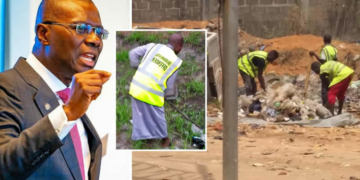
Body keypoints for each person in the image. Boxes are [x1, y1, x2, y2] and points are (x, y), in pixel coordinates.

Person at [0, 0, 111, 179]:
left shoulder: (67, 97)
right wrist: (67, 114)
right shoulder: (6, 86)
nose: (95, 40)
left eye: (99, 32)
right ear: (44, 34)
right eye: (81, 28)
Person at [128, 34, 184, 148]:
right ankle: (165, 139)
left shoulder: (153, 46)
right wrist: (165, 94)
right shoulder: (175, 62)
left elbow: (132, 53)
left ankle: (145, 137)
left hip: (137, 86)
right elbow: (169, 85)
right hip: (153, 92)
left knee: (140, 113)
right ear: (178, 46)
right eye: (181, 47)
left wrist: (137, 67)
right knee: (158, 116)